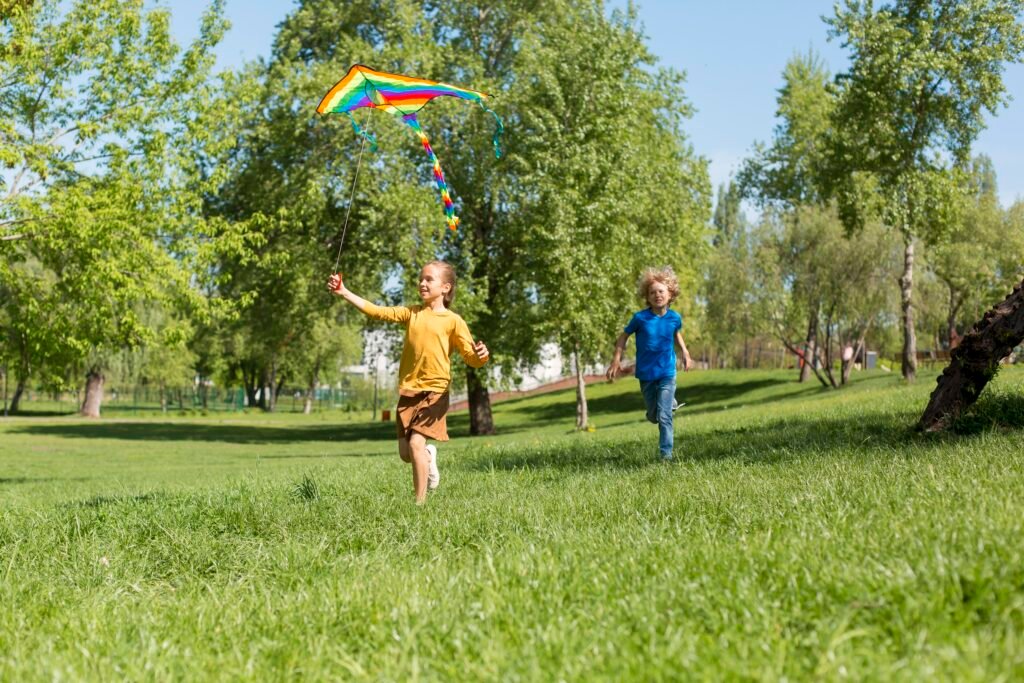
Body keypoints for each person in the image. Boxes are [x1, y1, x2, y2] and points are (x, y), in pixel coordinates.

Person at [327, 261, 489, 503]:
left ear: (445, 288)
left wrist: (480, 357)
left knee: (415, 444)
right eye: (420, 279)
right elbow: (376, 311)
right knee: (407, 454)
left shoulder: (454, 321)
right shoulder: (412, 313)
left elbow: (471, 358)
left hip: (435, 391)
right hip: (409, 391)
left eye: (429, 279)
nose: (422, 283)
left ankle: (419, 504)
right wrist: (344, 292)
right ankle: (428, 456)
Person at [606, 266, 693, 461]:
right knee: (654, 416)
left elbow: (676, 335)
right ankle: (669, 404)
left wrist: (685, 353)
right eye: (652, 292)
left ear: (670, 294)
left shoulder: (674, 318)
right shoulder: (640, 318)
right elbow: (623, 337)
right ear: (647, 296)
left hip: (667, 373)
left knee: (664, 417)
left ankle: (666, 456)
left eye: (661, 291)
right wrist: (616, 359)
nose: (657, 295)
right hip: (646, 374)